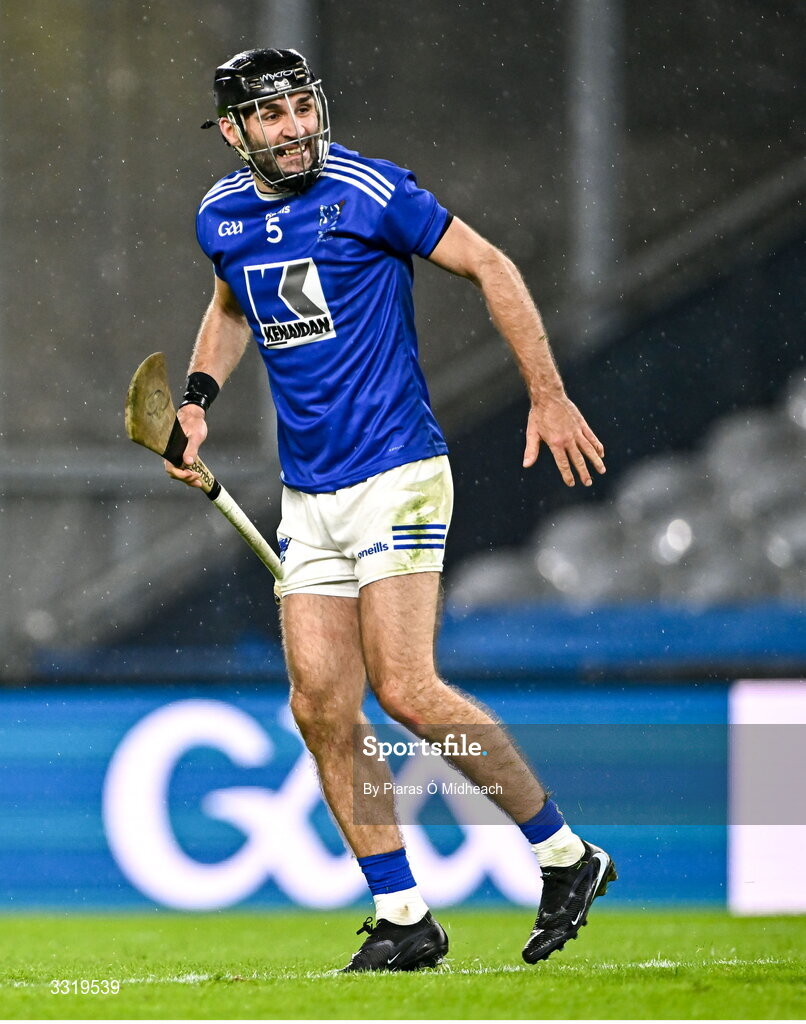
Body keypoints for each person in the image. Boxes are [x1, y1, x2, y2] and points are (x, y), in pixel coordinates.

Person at [166, 47, 616, 972]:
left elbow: (491, 266)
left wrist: (548, 391)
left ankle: (564, 854)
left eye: (302, 106)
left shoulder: (371, 191)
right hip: (309, 496)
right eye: (272, 114)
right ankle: (406, 917)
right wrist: (197, 400)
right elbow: (230, 305)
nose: (294, 127)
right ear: (234, 130)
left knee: (406, 689)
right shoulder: (222, 215)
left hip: (399, 474)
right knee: (322, 707)